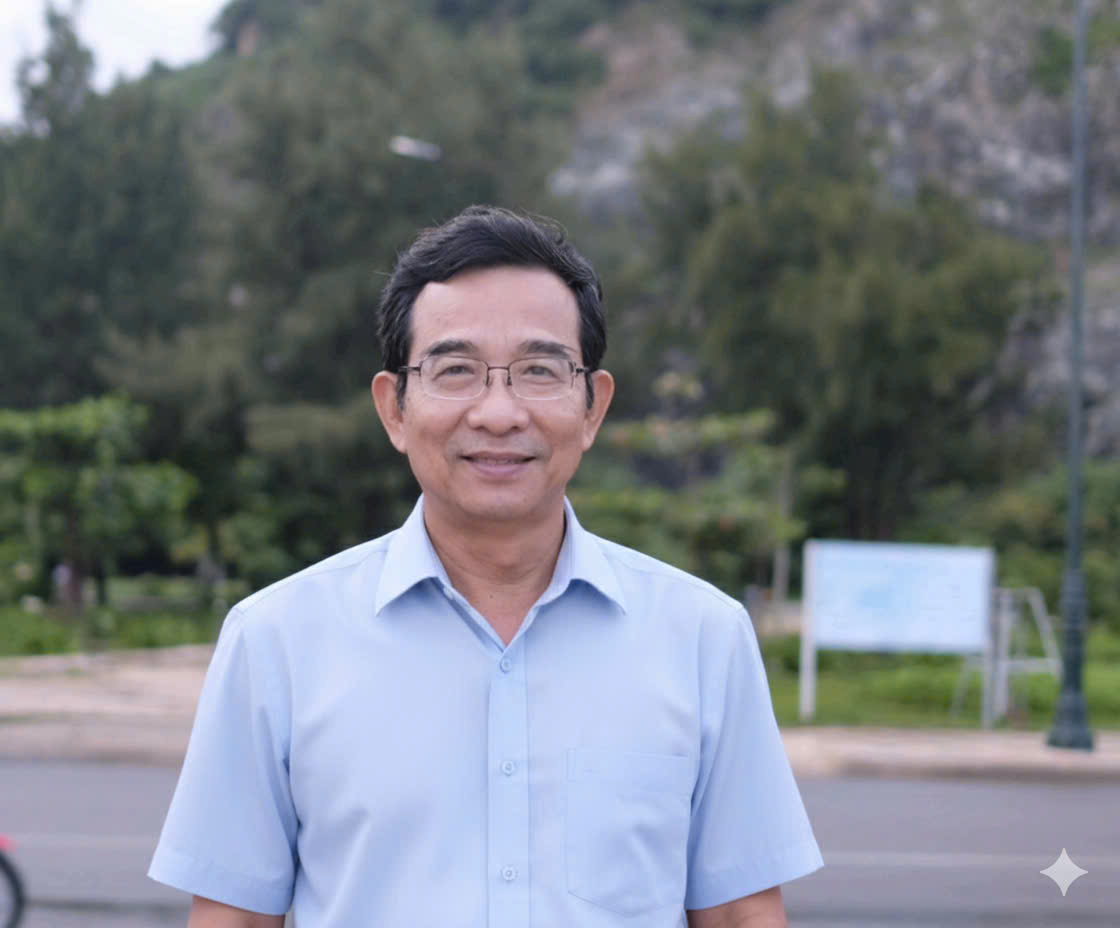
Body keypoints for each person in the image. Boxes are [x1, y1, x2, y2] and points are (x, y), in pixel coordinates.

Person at [149, 205, 823, 927]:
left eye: (539, 370)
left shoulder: (703, 637)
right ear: (394, 408)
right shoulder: (276, 641)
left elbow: (740, 915)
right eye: (456, 370)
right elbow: (233, 919)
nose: (499, 414)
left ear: (593, 408)